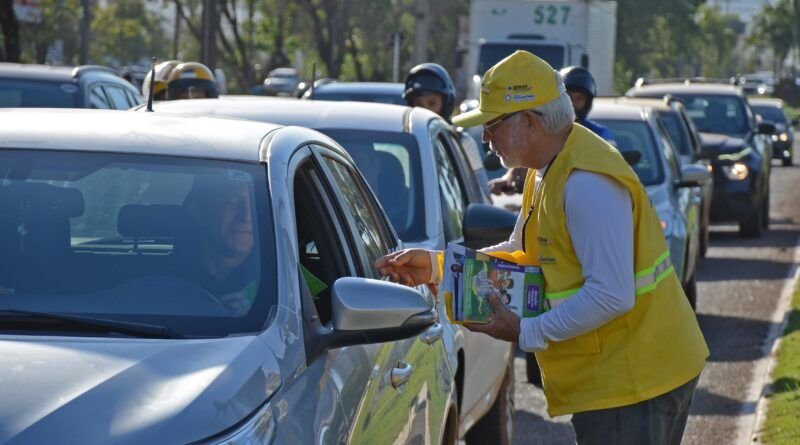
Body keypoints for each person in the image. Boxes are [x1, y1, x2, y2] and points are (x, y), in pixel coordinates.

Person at [375, 50, 708, 445]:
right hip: (625, 377)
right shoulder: (548, 167)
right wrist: (437, 267)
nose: (485, 138)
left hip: (636, 381)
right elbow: (522, 249)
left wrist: (527, 330)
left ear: (529, 123)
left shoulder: (586, 182)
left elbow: (611, 294)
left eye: (492, 125)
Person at [489, 65, 616, 196]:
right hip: (543, 199)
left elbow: (610, 161)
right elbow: (523, 159)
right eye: (567, 97)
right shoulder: (542, 129)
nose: (571, 103)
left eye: (579, 99)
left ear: (587, 103)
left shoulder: (599, 134)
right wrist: (509, 180)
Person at [403, 63, 492, 200]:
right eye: (419, 104)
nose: (425, 110)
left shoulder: (462, 143)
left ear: (446, 105)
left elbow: (482, 197)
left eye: (432, 103)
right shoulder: (405, 147)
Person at [180, 172, 257, 315]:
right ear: (199, 211)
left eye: (255, 204)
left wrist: (259, 316)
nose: (247, 217)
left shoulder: (284, 277)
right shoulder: (156, 277)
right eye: (232, 202)